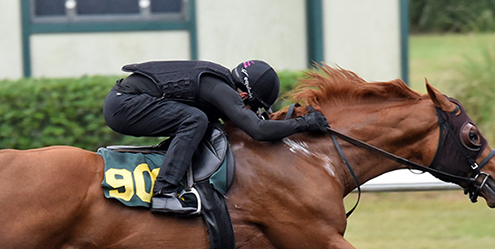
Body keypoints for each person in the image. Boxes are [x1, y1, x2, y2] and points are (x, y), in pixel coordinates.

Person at [103, 59, 329, 215]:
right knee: (195, 120)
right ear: (242, 95)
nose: (250, 112)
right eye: (252, 107)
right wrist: (304, 123)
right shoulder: (220, 89)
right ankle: (165, 192)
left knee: (200, 121)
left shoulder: (220, 83)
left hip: (129, 100)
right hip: (124, 104)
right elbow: (258, 130)